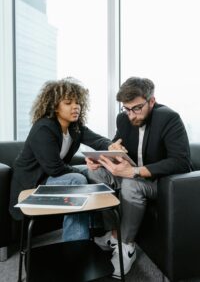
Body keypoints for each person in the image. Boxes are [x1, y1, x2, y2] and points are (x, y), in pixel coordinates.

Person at [86, 77, 192, 278]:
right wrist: (103, 158)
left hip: (162, 184)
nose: (131, 115)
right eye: (126, 109)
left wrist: (134, 172)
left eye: (136, 108)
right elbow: (119, 147)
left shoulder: (169, 118)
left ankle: (127, 247)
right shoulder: (124, 118)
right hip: (132, 173)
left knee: (132, 184)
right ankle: (114, 233)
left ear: (152, 101)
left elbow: (181, 162)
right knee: (95, 172)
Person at [9, 77, 118, 242]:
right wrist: (82, 168)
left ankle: (101, 227)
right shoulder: (43, 128)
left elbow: (98, 140)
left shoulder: (75, 127)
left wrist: (112, 146)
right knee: (78, 178)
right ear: (55, 107)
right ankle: (76, 244)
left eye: (78, 102)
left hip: (54, 176)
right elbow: (55, 168)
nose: (75, 107)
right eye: (68, 102)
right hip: (34, 182)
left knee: (94, 171)